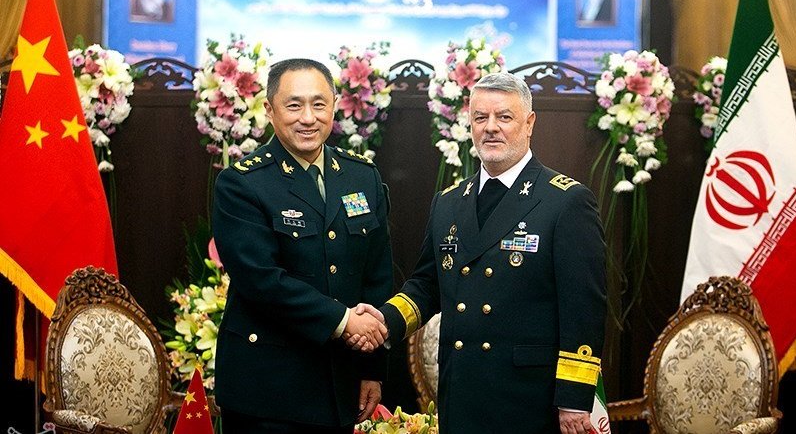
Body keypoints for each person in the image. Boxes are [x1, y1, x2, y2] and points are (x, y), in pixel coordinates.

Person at [349, 72, 607, 433]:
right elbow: (426, 285)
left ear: (529, 123)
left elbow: (584, 309)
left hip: (530, 399)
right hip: (462, 391)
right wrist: (382, 321)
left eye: (504, 117)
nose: (491, 128)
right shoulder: (449, 201)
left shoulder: (564, 201)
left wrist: (573, 400)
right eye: (480, 118)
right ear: (469, 123)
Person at [212, 58, 393, 433]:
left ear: (334, 106)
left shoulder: (363, 176)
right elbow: (262, 281)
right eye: (294, 105)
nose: (308, 118)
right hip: (268, 392)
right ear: (269, 110)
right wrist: (344, 322)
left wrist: (372, 368)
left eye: (319, 104)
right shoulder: (242, 184)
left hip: (340, 385)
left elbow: (377, 276)